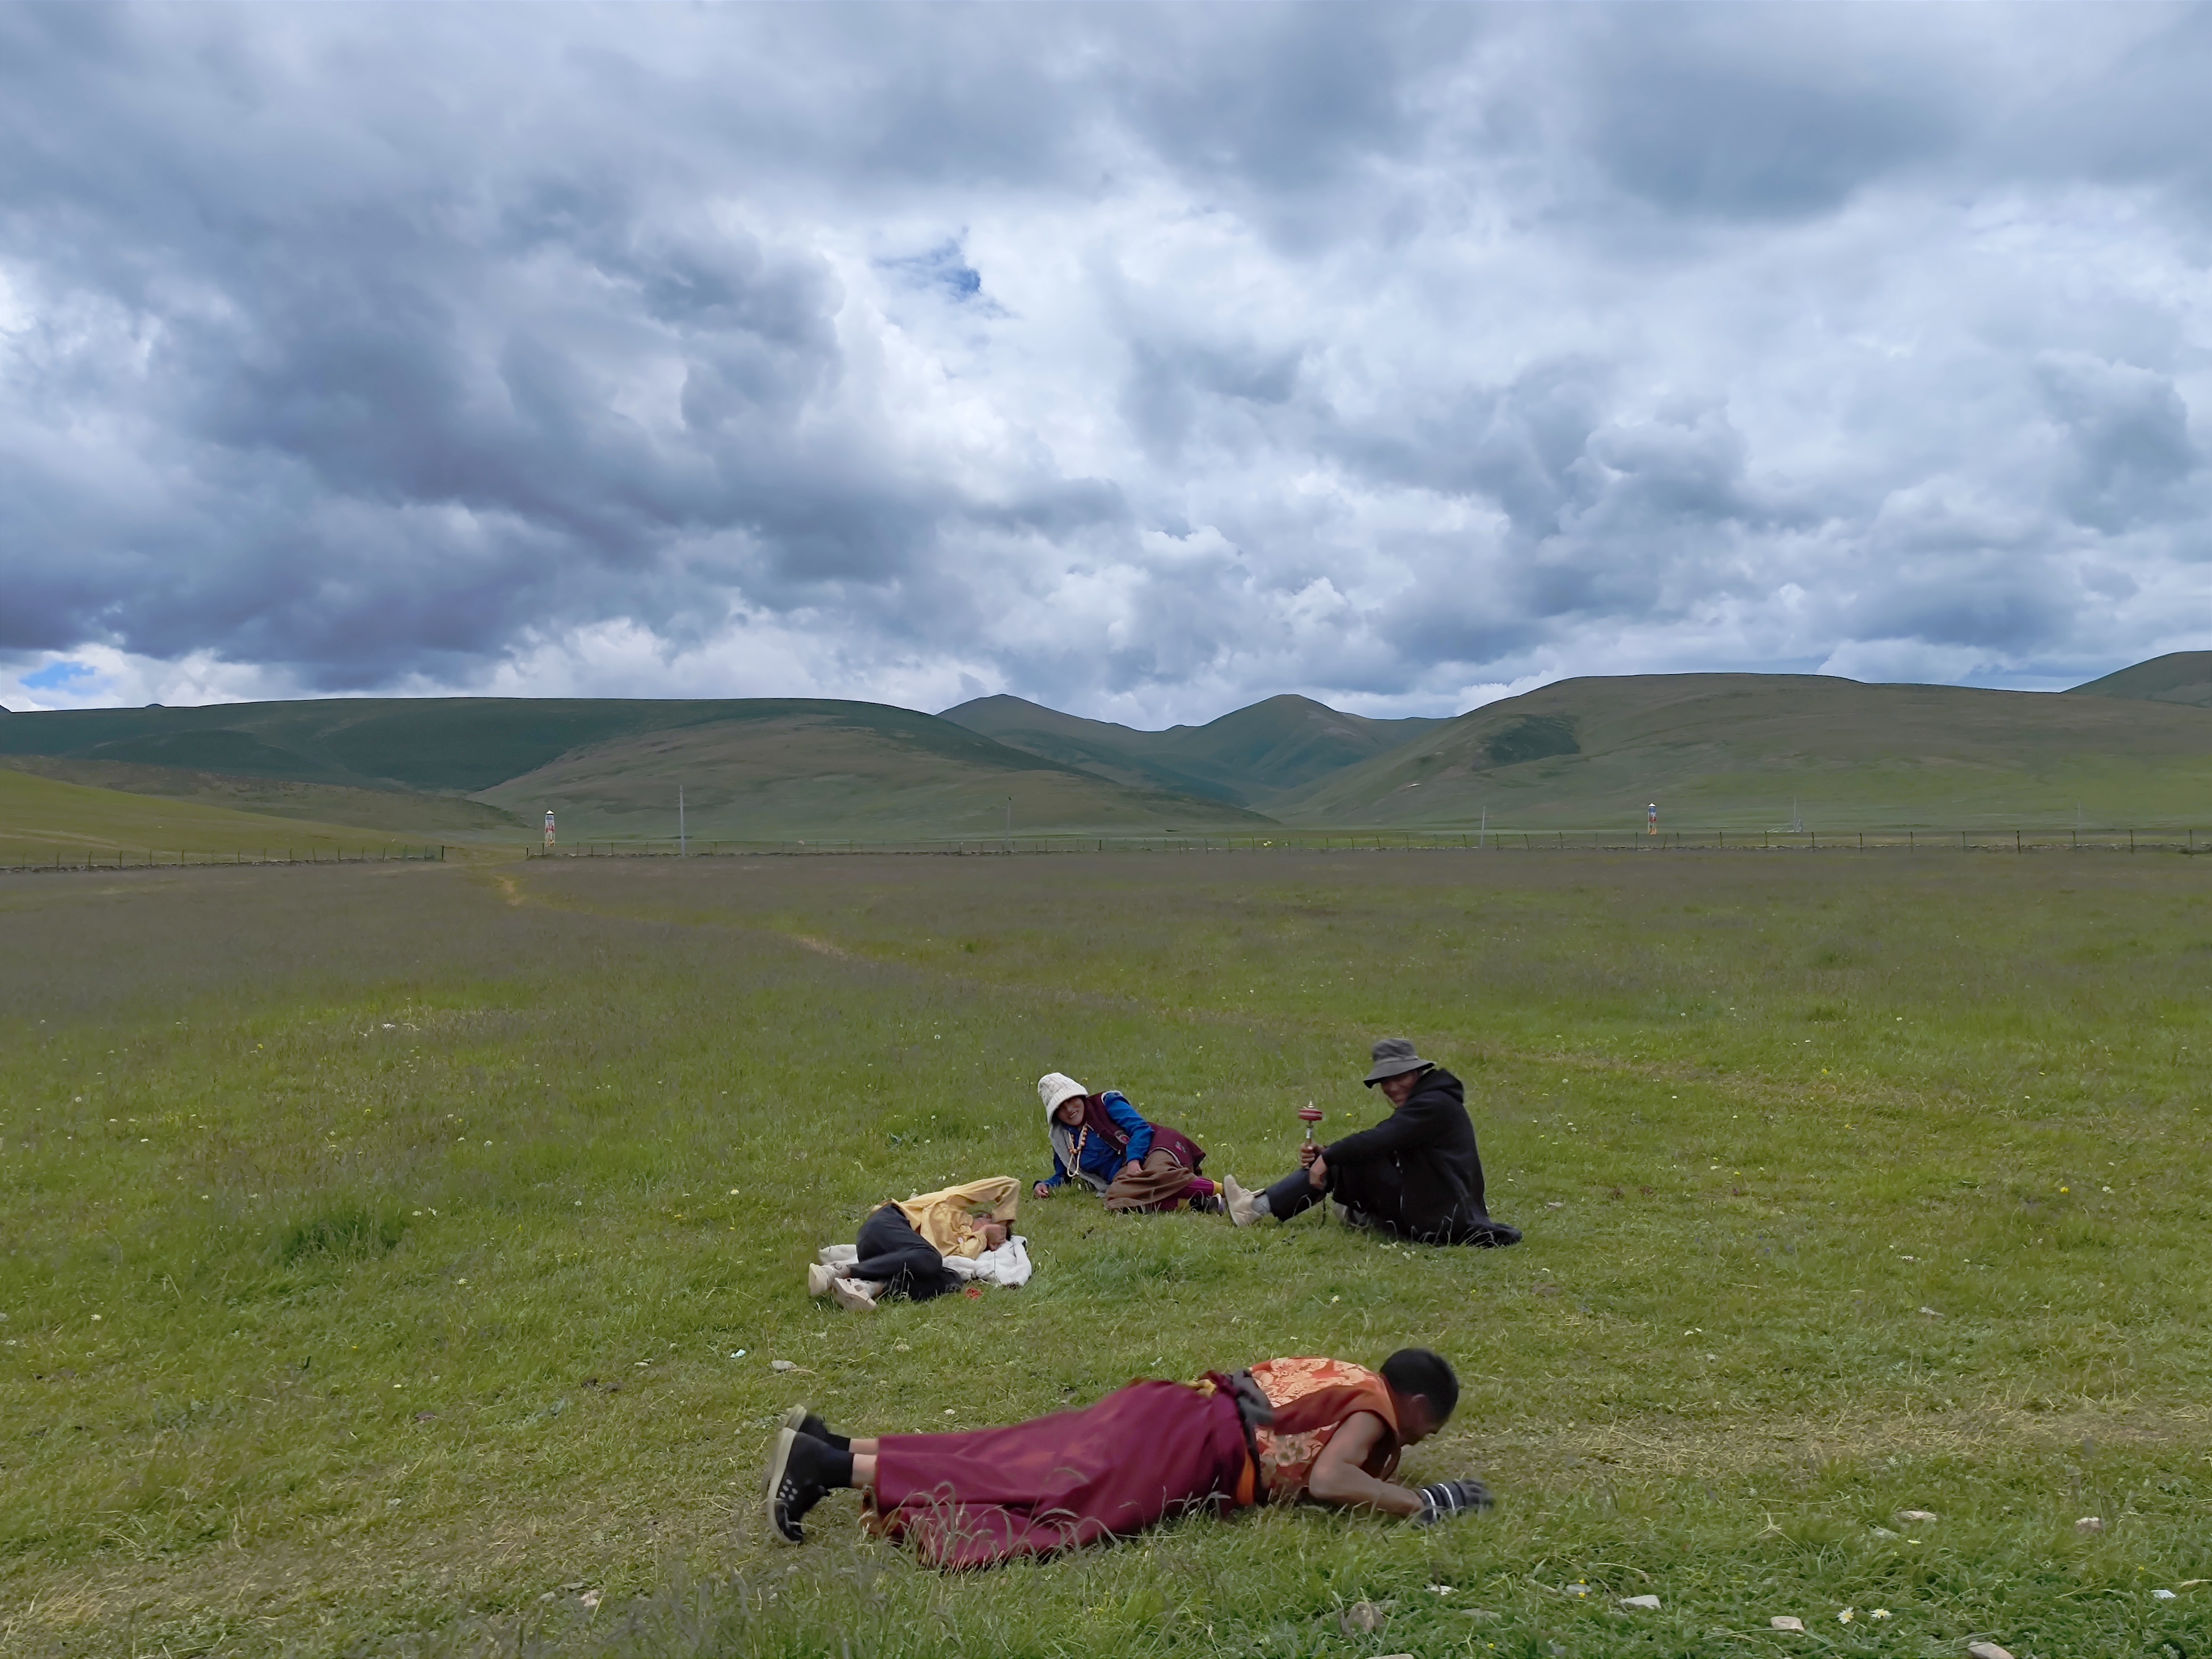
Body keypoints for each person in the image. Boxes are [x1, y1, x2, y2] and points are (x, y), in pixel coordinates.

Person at [764, 1347, 1491, 1565]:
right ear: (1415, 1404)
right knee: (1041, 1490)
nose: (1416, 1443)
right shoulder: (1372, 1408)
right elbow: (1332, 1478)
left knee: (1015, 1451)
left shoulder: (1344, 1373)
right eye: (1425, 1431)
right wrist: (1421, 1502)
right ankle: (826, 1468)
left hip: (1170, 1409)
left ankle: (834, 1444)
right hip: (1186, 1444)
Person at [1222, 1039, 1520, 1246]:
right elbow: (1387, 1146)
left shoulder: (1434, 1105)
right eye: (1385, 1081)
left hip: (1440, 1220)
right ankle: (1357, 1215)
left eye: (1400, 1077)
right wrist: (1329, 1154)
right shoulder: (1432, 1101)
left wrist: (1328, 1158)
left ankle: (1255, 1208)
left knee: (1351, 1155)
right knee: (1349, 1155)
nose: (1392, 1087)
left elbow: (1379, 1139)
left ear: (1417, 1072)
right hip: (1440, 1210)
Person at [806, 1176, 1021, 1311]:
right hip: (887, 1224)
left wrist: (983, 1235)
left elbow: (960, 1258)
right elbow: (1010, 1185)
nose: (996, 1240)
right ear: (985, 1216)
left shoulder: (965, 1246)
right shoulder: (954, 1201)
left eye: (998, 1242)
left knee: (951, 1279)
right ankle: (838, 1271)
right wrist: (1001, 1223)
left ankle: (866, 1288)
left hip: (888, 1260)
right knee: (931, 1258)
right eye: (996, 1230)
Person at [1033, 1072, 1220, 1213]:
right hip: (1125, 1176)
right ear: (1055, 1114)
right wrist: (1045, 1185)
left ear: (1080, 1096)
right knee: (1116, 1197)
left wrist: (1134, 1160)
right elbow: (1064, 1174)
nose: (1069, 1109)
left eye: (1072, 1100)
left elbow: (1141, 1129)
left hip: (1153, 1147)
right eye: (1061, 1107)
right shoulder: (1062, 1138)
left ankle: (1225, 1189)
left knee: (1157, 1174)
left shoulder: (1106, 1103)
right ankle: (1200, 1204)